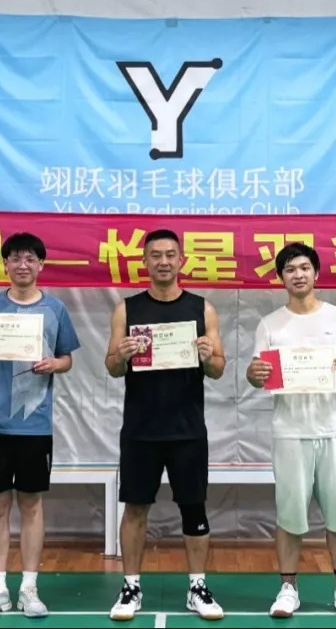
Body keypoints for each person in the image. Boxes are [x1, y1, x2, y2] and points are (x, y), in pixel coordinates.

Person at [0, 232, 81, 619]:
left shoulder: (55, 309)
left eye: (30, 259)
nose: (23, 265)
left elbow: (67, 359)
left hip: (34, 425)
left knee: (32, 505)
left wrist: (54, 364)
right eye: (15, 259)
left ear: (41, 265)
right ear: (5, 264)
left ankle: (29, 589)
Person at [103, 228, 227, 621]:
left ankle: (197, 586)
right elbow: (112, 367)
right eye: (155, 255)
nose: (163, 261)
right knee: (135, 508)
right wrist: (122, 355)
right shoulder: (127, 310)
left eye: (170, 254)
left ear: (181, 260)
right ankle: (131, 586)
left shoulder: (203, 309)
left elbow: (219, 369)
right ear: (144, 261)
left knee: (194, 507)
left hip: (187, 429)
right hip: (140, 429)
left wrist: (208, 356)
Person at [245, 242, 336, 620]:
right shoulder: (269, 324)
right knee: (290, 514)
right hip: (289, 431)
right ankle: (288, 589)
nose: (298, 275)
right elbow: (255, 373)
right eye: (290, 270)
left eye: (304, 268)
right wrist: (254, 374)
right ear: (281, 278)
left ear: (316, 273)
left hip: (332, 429)